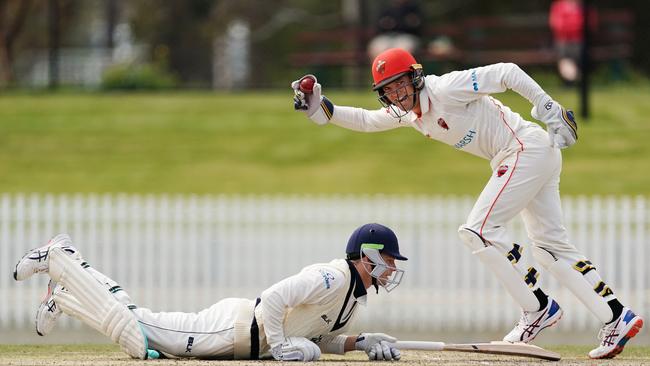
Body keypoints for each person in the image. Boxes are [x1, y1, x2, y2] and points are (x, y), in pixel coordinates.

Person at [291, 48, 643, 360]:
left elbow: (507, 72)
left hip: (525, 149)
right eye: (389, 90)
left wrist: (547, 107)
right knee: (550, 248)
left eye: (401, 84)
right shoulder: (410, 113)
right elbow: (367, 120)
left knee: (478, 230)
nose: (397, 95)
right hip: (529, 155)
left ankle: (537, 308)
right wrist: (321, 108)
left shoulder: (445, 88)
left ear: (416, 77)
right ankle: (616, 317)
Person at [13, 223, 408, 361]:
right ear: (368, 255)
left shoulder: (354, 298)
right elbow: (272, 299)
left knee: (138, 331)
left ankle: (62, 296)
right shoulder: (333, 277)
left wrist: (359, 342)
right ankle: (62, 257)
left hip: (243, 340)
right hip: (233, 329)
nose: (391, 268)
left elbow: (318, 340)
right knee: (138, 333)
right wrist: (282, 345)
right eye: (388, 259)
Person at [548, 0, 598, 85]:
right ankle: (575, 77)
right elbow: (556, 24)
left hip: (579, 41)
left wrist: (570, 27)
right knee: (564, 54)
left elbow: (590, 24)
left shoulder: (584, 7)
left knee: (574, 54)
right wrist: (573, 27)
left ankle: (573, 77)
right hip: (563, 41)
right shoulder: (559, 5)